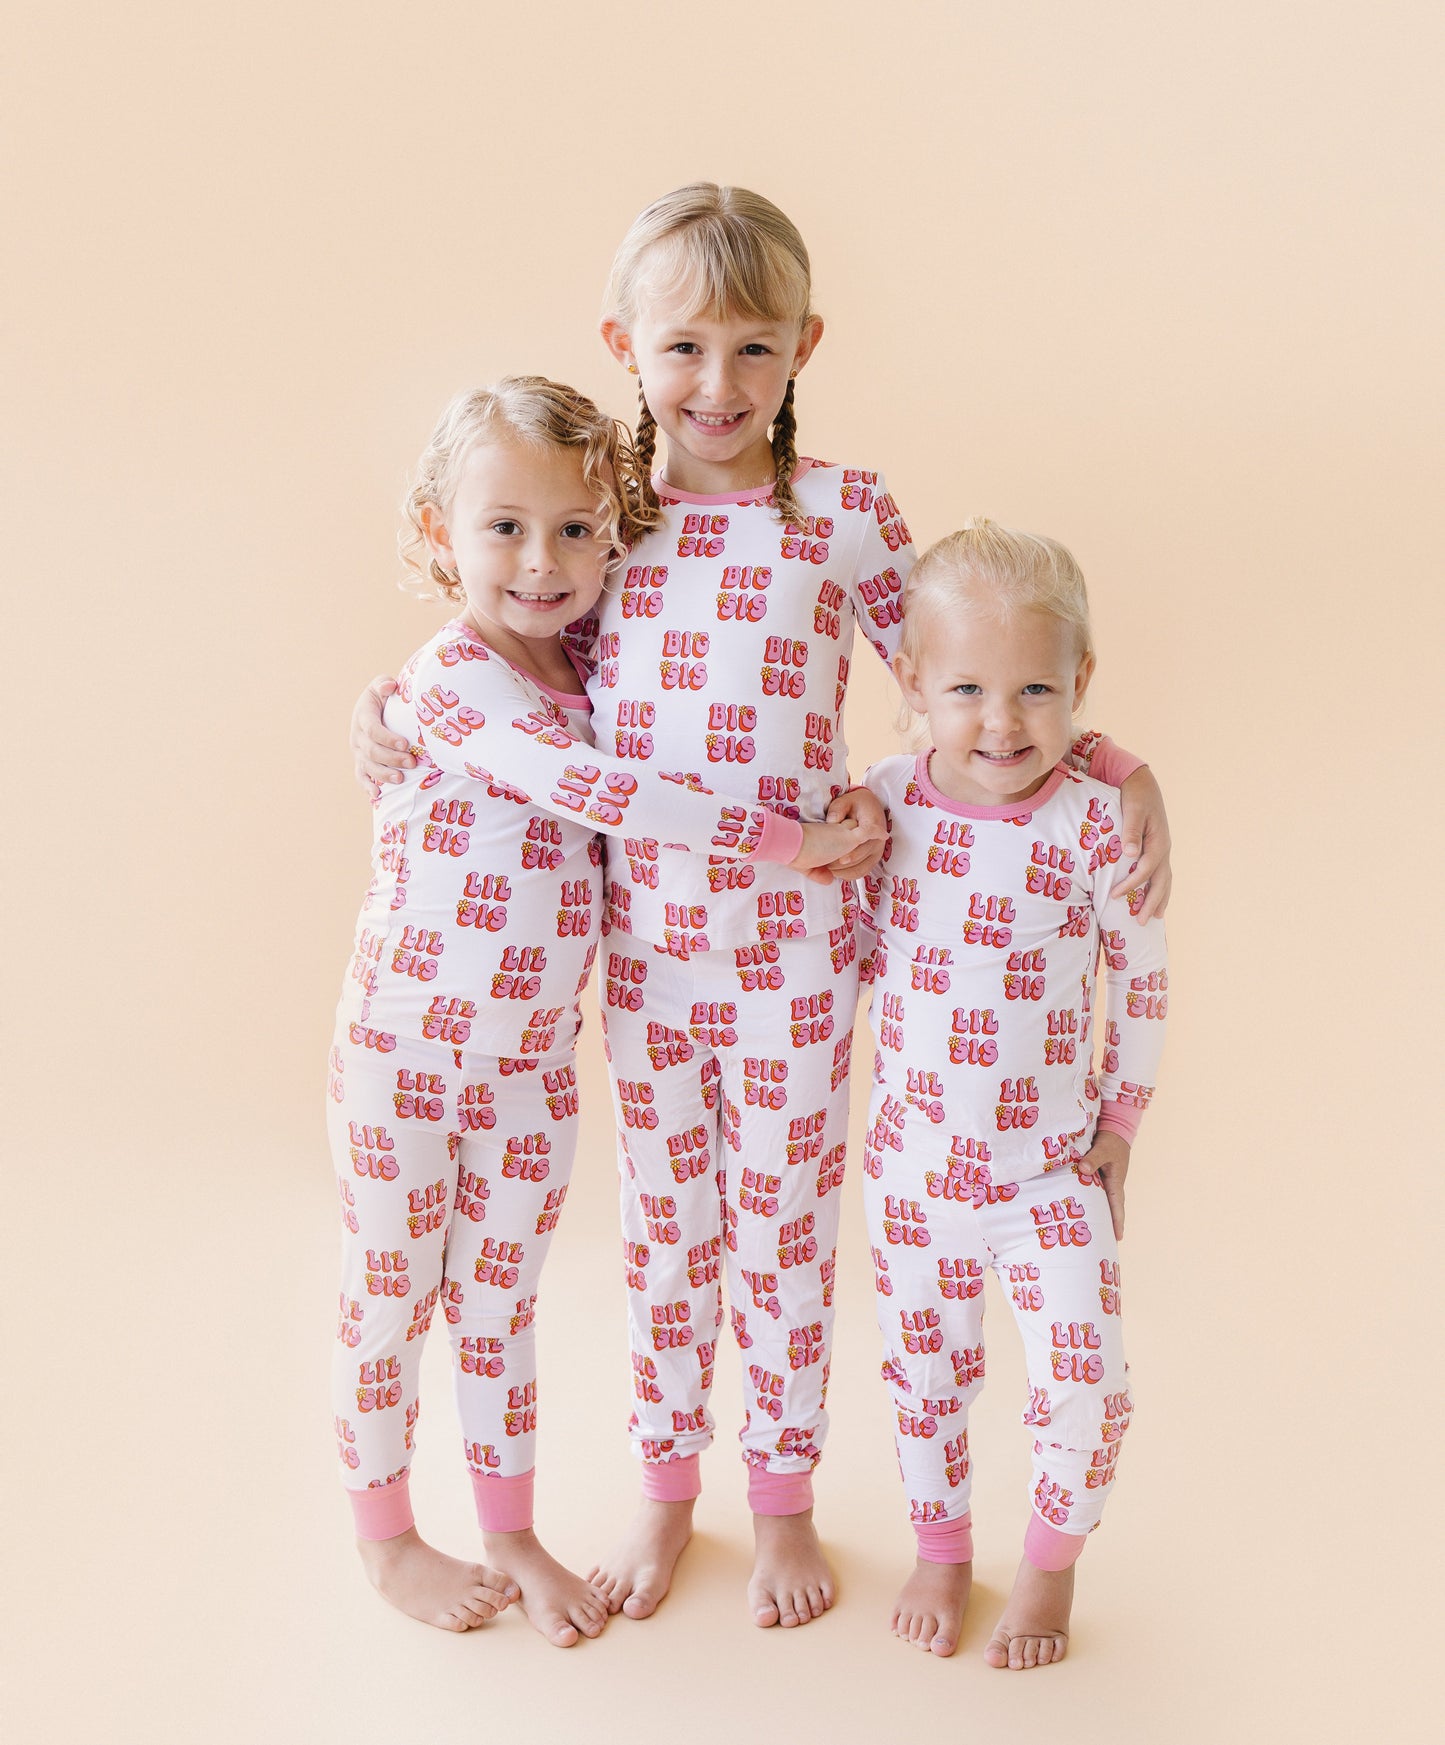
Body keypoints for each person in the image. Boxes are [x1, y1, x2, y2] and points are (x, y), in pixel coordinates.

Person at [349, 183, 1173, 1631]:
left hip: (799, 961)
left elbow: (968, 669)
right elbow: (514, 651)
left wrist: (1110, 759)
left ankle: (780, 1500)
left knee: (786, 1234)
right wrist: (392, 701)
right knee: (666, 1237)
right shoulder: (602, 523)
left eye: (752, 348)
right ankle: (668, 1492)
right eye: (682, 348)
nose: (716, 384)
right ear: (625, 345)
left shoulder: (846, 517)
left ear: (804, 346)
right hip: (643, 959)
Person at [329, 375, 862, 1644]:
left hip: (531, 1070)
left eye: (575, 529)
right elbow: (602, 791)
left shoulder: (590, 663)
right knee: (390, 1298)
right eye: (504, 528)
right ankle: (386, 1536)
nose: (542, 560)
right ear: (437, 532)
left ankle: (509, 1531)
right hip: (403, 1053)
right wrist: (789, 842)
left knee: (498, 1305)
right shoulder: (447, 681)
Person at [856, 520, 1167, 1667]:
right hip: (913, 1172)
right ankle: (940, 1549)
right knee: (924, 1376)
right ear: (911, 681)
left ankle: (1046, 1570)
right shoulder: (881, 804)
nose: (1001, 721)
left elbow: (1141, 978)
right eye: (966, 689)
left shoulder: (1096, 822)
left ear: (1079, 682)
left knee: (1088, 1382)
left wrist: (1121, 1121)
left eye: (1035, 688)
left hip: (1049, 1170)